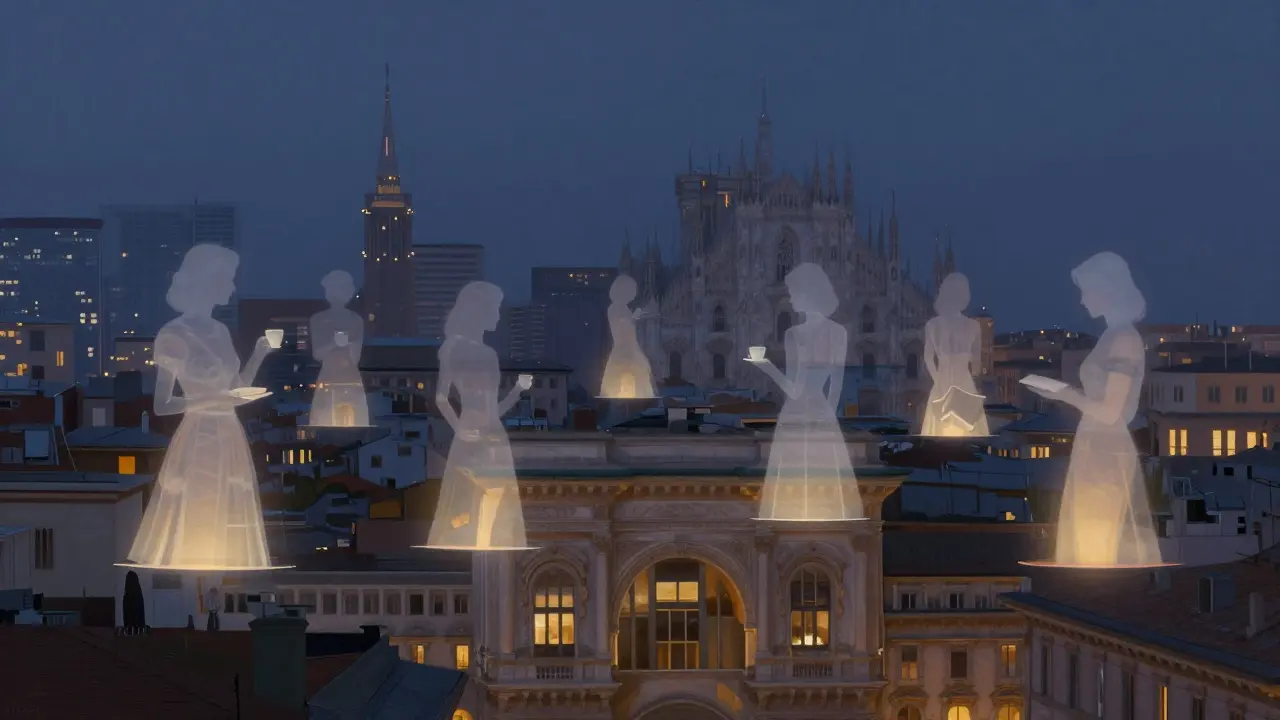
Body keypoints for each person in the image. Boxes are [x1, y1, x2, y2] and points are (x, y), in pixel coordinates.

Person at [124, 244, 279, 570]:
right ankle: (193, 572)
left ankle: (218, 575)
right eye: (228, 279)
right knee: (200, 503)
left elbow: (235, 386)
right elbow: (163, 405)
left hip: (228, 433)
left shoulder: (220, 331)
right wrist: (216, 401)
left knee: (227, 505)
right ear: (208, 281)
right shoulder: (174, 334)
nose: (233, 288)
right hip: (200, 437)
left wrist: (259, 354)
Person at [1024, 252, 1161, 566]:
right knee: (1089, 542)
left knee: (1099, 541)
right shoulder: (1112, 335)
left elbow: (1112, 412)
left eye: (1087, 290)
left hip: (1106, 450)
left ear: (1108, 290)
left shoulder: (1124, 339)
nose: (1083, 300)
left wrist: (1064, 393)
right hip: (1095, 445)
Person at [746, 263, 863, 521]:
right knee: (826, 484)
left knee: (790, 485)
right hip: (823, 411)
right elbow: (836, 386)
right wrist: (827, 419)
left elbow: (795, 390)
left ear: (807, 293)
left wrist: (766, 368)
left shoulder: (794, 335)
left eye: (793, 291)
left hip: (796, 412)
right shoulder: (839, 333)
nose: (790, 297)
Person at [423, 282, 533, 550]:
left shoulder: (456, 348)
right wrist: (459, 428)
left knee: (481, 495)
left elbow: (453, 401)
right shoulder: (478, 353)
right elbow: (442, 398)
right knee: (485, 495)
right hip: (482, 434)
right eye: (495, 308)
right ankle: (482, 543)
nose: (498, 315)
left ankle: (482, 543)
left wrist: (518, 389)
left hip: (480, 432)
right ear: (479, 311)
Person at [920, 273, 990, 436]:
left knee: (938, 432)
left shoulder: (932, 325)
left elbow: (928, 357)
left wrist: (938, 380)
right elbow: (977, 365)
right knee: (969, 431)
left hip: (941, 382)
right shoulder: (973, 326)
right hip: (964, 382)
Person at [308, 270, 370, 427]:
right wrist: (334, 343)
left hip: (350, 380)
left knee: (355, 423)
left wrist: (349, 344)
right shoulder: (318, 319)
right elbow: (317, 353)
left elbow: (355, 358)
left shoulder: (356, 320)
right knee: (324, 421)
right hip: (328, 379)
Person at [599, 275, 657, 398]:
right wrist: (635, 316)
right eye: (631, 290)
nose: (633, 294)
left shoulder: (623, 308)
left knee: (641, 371)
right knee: (631, 372)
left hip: (630, 347)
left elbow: (629, 324)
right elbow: (621, 324)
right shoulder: (614, 308)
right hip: (623, 348)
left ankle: (639, 397)